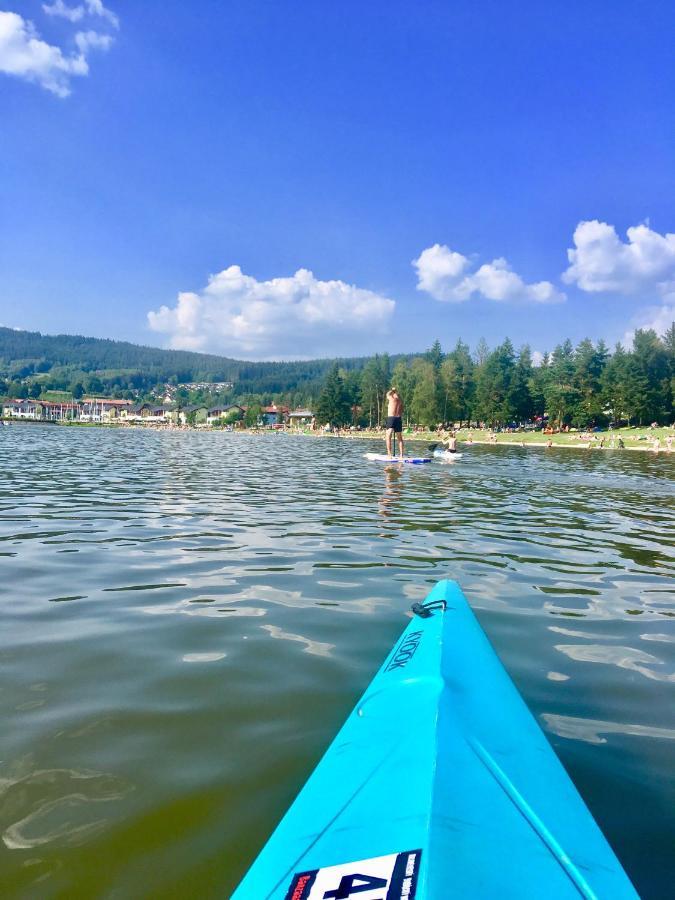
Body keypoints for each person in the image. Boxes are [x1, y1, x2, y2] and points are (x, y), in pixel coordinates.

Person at [385, 387, 404, 458]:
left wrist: (392, 390)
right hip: (398, 418)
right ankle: (401, 455)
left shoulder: (391, 397)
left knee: (388, 436)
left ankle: (389, 455)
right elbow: (402, 409)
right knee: (400, 438)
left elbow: (387, 394)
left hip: (391, 418)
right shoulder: (399, 399)